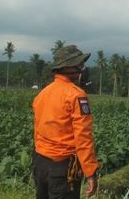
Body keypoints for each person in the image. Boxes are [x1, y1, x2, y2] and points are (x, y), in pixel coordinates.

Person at [32, 45, 99, 199]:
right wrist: (90, 173)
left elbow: (37, 129)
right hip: (62, 168)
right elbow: (83, 138)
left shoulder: (42, 94)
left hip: (40, 163)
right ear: (68, 67)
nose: (82, 68)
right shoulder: (76, 96)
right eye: (79, 64)